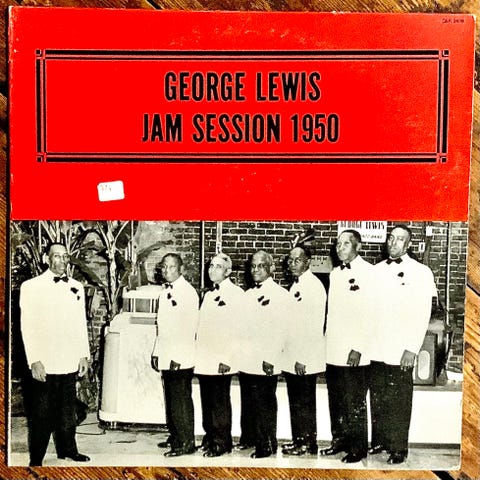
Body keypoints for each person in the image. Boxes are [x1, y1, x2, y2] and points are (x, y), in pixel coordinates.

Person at [369, 225, 437, 464]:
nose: (393, 243)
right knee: (378, 396)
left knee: (399, 400)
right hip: (376, 347)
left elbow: (422, 313)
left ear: (408, 245)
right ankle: (379, 441)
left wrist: (412, 348)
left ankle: (399, 448)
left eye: (400, 239)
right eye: (391, 238)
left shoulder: (421, 272)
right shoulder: (375, 270)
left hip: (401, 349)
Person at [19, 242, 91, 467]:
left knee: (67, 410)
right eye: (56, 256)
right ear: (46, 259)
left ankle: (68, 450)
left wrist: (83, 355)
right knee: (41, 413)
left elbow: (80, 323)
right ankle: (37, 458)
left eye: (65, 256)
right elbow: (27, 326)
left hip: (68, 359)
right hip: (45, 361)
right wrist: (34, 360)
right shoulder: (31, 286)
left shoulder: (76, 287)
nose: (62, 260)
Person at [320, 230, 375, 463]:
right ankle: (339, 441)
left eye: (345, 244)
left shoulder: (369, 272)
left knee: (354, 402)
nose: (339, 248)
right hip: (334, 349)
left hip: (354, 352)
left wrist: (358, 347)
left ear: (357, 247)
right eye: (338, 244)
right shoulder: (335, 273)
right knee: (337, 400)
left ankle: (357, 448)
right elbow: (332, 314)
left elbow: (370, 314)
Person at [237, 250, 290, 459]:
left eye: (261, 266)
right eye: (253, 266)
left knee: (264, 404)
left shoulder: (280, 295)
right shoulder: (248, 295)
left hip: (266, 360)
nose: (255, 270)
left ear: (271, 268)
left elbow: (281, 330)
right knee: (249, 402)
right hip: (248, 359)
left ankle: (267, 444)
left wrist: (271, 357)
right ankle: (250, 439)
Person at [195, 253, 244, 457]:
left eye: (218, 267)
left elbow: (237, 329)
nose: (212, 270)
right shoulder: (208, 295)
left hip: (221, 359)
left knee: (219, 402)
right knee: (207, 400)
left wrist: (228, 358)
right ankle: (210, 437)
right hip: (205, 358)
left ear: (228, 271)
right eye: (211, 266)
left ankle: (221, 443)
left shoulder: (236, 294)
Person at [151, 253, 199, 457]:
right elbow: (161, 327)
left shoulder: (188, 292)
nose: (166, 270)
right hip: (167, 354)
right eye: (164, 267)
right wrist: (157, 352)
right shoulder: (164, 293)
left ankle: (186, 442)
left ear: (181, 270)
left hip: (180, 357)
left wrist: (178, 357)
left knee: (180, 400)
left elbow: (189, 328)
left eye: (171, 267)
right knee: (172, 399)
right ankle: (176, 436)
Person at [281, 245, 326, 456]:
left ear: (308, 262)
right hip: (293, 356)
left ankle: (307, 443)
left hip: (303, 358)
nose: (292, 264)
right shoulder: (297, 285)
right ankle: (299, 441)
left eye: (297, 260)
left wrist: (303, 358)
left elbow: (313, 327)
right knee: (297, 402)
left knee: (304, 402)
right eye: (290, 261)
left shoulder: (313, 286)